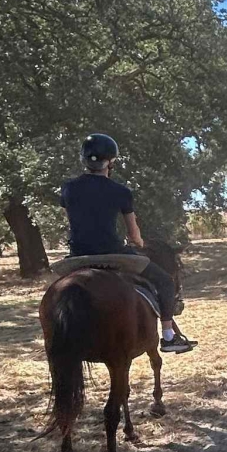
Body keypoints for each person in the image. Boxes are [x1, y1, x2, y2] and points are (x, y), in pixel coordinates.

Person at [60, 134, 195, 354]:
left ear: (85, 159)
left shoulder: (68, 189)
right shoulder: (120, 191)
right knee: (164, 281)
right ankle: (169, 337)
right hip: (113, 253)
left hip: (78, 255)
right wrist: (139, 242)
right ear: (111, 161)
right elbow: (134, 234)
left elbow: (72, 220)